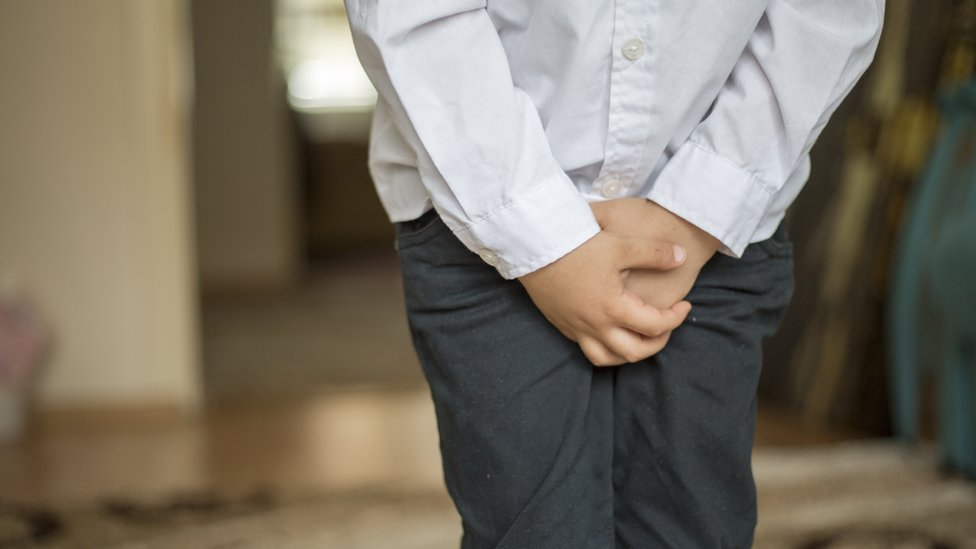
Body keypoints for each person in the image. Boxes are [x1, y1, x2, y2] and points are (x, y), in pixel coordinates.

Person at [345, 1, 883, 546]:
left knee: (696, 524)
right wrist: (544, 239)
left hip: (723, 223)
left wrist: (696, 215)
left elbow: (831, 14)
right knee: (533, 531)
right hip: (478, 212)